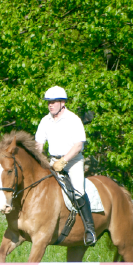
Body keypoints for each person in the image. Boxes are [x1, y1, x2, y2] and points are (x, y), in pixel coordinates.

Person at [35, 86, 97, 246]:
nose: (50, 105)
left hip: (73, 161)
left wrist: (63, 162)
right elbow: (38, 145)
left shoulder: (73, 119)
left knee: (78, 190)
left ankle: (90, 230)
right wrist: (38, 159)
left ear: (62, 103)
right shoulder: (45, 120)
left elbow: (78, 146)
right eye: (48, 102)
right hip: (52, 160)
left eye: (53, 102)